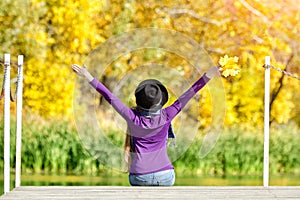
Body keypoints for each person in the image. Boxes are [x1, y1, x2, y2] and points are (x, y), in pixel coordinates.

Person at [72, 64, 219, 186]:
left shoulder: (131, 117)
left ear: (139, 102)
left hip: (139, 177)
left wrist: (88, 76)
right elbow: (190, 92)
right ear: (160, 101)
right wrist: (209, 75)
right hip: (165, 176)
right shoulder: (168, 114)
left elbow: (109, 96)